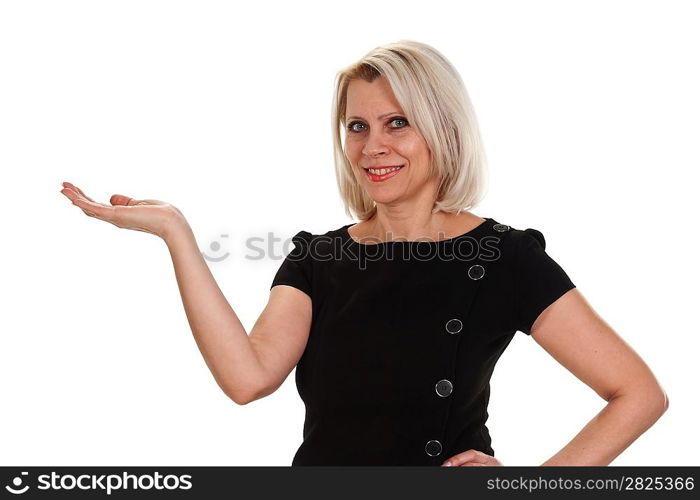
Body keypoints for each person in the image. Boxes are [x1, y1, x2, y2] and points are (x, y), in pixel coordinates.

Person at [60, 40, 668, 466]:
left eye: (397, 123)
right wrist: (176, 232)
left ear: (444, 131)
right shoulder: (317, 260)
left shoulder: (505, 257)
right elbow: (246, 379)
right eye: (357, 127)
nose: (373, 147)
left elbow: (638, 395)